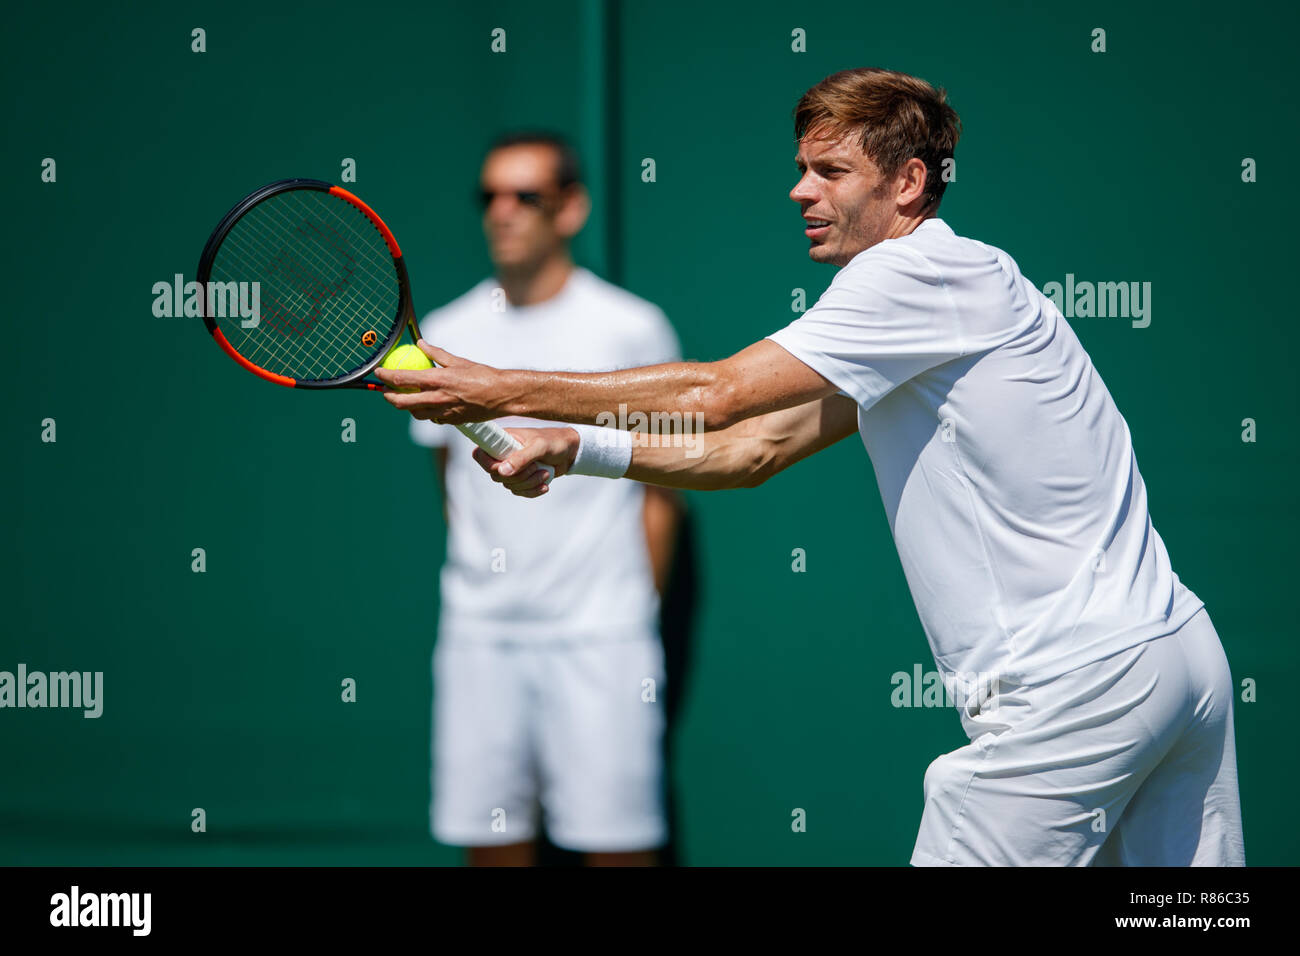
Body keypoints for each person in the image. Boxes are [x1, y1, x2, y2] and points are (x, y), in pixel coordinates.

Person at [378, 69, 1245, 867]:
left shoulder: (911, 273)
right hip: (1176, 659)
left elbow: (718, 394)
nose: (800, 190)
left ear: (908, 182)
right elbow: (756, 449)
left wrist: (501, 387)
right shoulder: (949, 295)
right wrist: (578, 448)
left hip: (1073, 690)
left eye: (829, 171)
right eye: (802, 167)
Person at [409, 131, 683, 866]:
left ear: (570, 209)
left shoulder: (630, 326)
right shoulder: (447, 332)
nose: (502, 212)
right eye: (489, 195)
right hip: (480, 637)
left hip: (603, 637)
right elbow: (452, 489)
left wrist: (628, 610)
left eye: (525, 195)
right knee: (492, 848)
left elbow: (663, 494)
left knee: (618, 852)